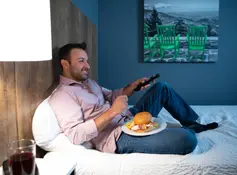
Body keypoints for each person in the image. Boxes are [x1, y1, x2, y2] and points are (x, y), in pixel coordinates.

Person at [48, 43, 218, 155]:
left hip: (128, 116)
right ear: (65, 64)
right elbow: (76, 135)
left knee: (162, 87)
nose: (88, 66)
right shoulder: (62, 96)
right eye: (81, 61)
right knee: (187, 139)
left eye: (87, 61)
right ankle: (182, 132)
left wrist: (132, 87)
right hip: (116, 136)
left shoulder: (89, 82)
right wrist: (112, 112)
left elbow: (111, 96)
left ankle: (191, 123)